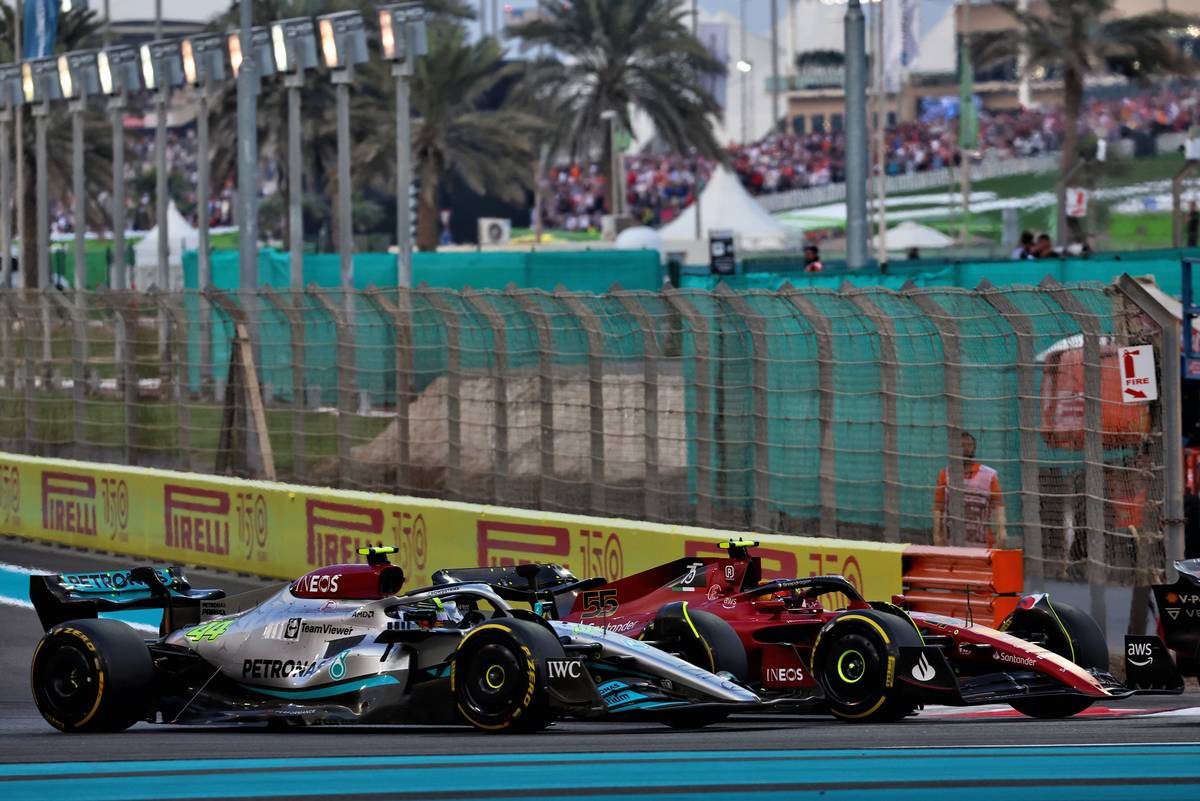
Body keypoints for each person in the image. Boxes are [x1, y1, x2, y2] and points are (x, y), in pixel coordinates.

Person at [932, 431, 1007, 548]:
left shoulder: (988, 475)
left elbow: (999, 506)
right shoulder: (945, 475)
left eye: (969, 445)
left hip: (982, 543)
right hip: (951, 543)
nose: (965, 449)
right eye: (962, 445)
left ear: (974, 448)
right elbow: (939, 507)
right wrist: (937, 534)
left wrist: (1002, 530)